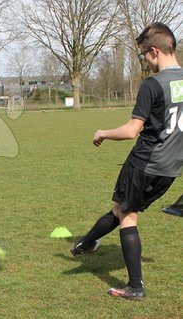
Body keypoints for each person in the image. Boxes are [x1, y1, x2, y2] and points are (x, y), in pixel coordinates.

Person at [70, 22, 183, 300]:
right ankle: (86, 243)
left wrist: (102, 133)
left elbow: (132, 130)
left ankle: (135, 287)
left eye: (144, 55)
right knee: (121, 208)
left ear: (155, 51)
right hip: (170, 169)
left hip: (145, 163)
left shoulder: (153, 84)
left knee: (127, 217)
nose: (144, 61)